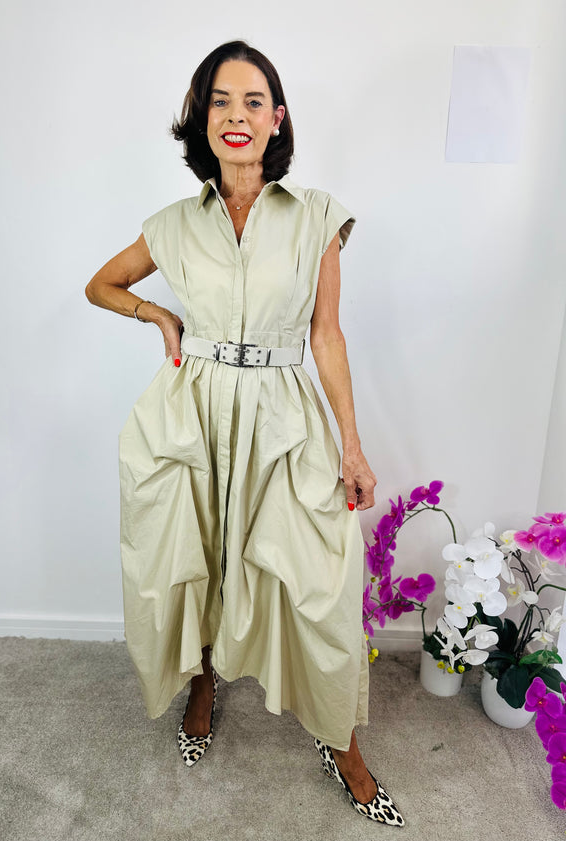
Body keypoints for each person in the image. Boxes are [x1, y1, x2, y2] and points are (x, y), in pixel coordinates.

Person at [85, 40, 404, 826]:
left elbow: (326, 335)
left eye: (253, 101)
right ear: (202, 118)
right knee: (196, 559)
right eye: (221, 101)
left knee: (320, 585)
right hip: (190, 417)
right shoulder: (171, 224)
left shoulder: (318, 216)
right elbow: (101, 283)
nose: (236, 115)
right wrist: (156, 311)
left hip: (283, 417)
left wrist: (352, 445)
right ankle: (202, 680)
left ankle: (342, 742)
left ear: (277, 118)